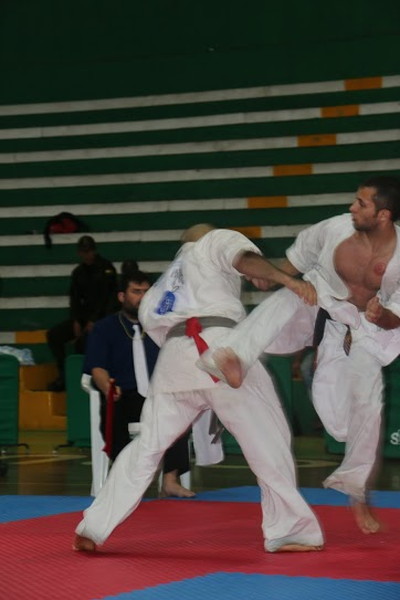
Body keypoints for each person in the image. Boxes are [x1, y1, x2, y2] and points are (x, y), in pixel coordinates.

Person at [73, 223, 324, 553]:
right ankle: (291, 531)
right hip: (219, 346)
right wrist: (287, 279)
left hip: (174, 361)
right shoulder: (212, 242)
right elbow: (244, 260)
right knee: (268, 441)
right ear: (205, 235)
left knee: (146, 447)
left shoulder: (162, 288)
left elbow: (156, 333)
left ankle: (93, 525)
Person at [197, 175, 400, 535]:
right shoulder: (334, 230)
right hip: (320, 304)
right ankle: (234, 356)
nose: (352, 207)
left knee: (358, 412)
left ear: (383, 215)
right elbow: (297, 259)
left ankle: (355, 489)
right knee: (289, 296)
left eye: (361, 203)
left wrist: (380, 315)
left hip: (366, 332)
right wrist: (276, 277)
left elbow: (395, 318)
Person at [84, 269, 194, 497]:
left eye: (146, 292)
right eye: (136, 292)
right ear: (121, 296)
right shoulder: (104, 328)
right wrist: (107, 387)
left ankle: (170, 479)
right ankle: (129, 479)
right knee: (116, 414)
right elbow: (96, 368)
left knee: (181, 411)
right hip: (123, 394)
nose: (142, 297)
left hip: (158, 393)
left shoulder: (162, 326)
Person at [47, 235, 117, 391]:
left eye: (89, 251)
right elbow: (75, 298)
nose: (87, 255)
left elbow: (108, 299)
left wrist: (95, 320)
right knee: (54, 335)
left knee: (84, 342)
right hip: (83, 318)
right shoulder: (79, 272)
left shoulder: (106, 269)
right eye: (84, 251)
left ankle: (86, 378)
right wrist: (76, 320)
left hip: (102, 319)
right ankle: (64, 375)